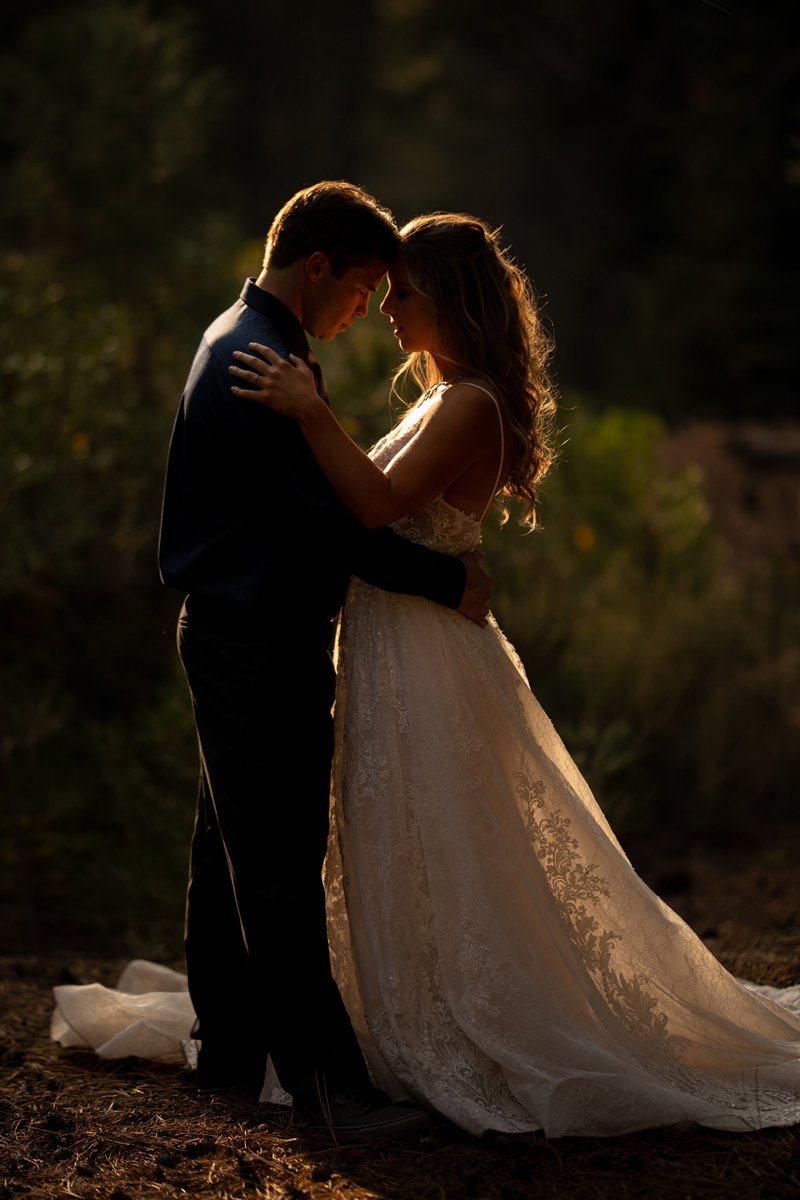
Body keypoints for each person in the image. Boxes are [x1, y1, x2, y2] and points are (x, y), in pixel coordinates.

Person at [226, 211, 800, 1137]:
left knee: (439, 834)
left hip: (426, 654)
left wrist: (308, 409)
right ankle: (388, 1013)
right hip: (395, 639)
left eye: (403, 295)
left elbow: (372, 505)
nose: (387, 312)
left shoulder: (473, 405)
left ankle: (456, 1020)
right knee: (397, 833)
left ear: (449, 297)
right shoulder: (446, 394)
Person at [154, 184, 492, 1138]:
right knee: (277, 864)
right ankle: (329, 1090)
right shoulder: (256, 357)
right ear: (318, 269)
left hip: (240, 632)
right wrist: (442, 579)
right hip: (255, 640)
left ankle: (227, 1053)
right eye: (362, 289)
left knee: (227, 850)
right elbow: (328, 526)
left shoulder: (250, 336)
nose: (366, 314)